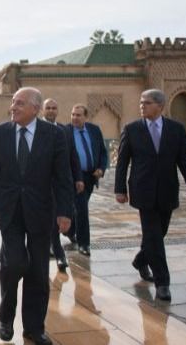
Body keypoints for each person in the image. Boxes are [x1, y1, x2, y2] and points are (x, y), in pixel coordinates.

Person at [0, 87, 73, 345]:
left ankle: (34, 328)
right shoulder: (0, 133)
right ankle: (5, 316)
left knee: (37, 272)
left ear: (35, 108)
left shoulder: (54, 135)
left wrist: (65, 212)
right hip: (9, 211)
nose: (13, 107)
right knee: (12, 263)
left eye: (20, 103)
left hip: (41, 212)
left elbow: (62, 177)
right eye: (12, 102)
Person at [115, 88, 186, 302]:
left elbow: (184, 161)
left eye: (146, 103)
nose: (142, 106)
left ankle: (141, 259)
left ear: (160, 106)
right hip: (142, 190)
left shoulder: (176, 129)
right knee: (154, 236)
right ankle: (163, 283)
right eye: (140, 102)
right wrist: (120, 189)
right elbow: (122, 162)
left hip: (167, 190)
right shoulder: (132, 129)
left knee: (160, 232)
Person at [40, 98, 82, 272]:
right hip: (41, 185)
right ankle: (59, 253)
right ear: (42, 110)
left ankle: (57, 249)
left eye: (53, 108)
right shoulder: (37, 130)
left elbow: (73, 157)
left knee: (62, 215)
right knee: (50, 220)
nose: (50, 111)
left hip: (60, 184)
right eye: (48, 108)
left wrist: (78, 178)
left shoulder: (65, 131)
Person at [63, 104, 108, 257]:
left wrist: (101, 168)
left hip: (91, 176)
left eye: (78, 115)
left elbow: (103, 152)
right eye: (73, 114)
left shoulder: (94, 130)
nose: (75, 118)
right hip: (76, 176)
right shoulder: (65, 131)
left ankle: (70, 230)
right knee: (82, 209)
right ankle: (84, 244)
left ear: (86, 117)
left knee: (79, 207)